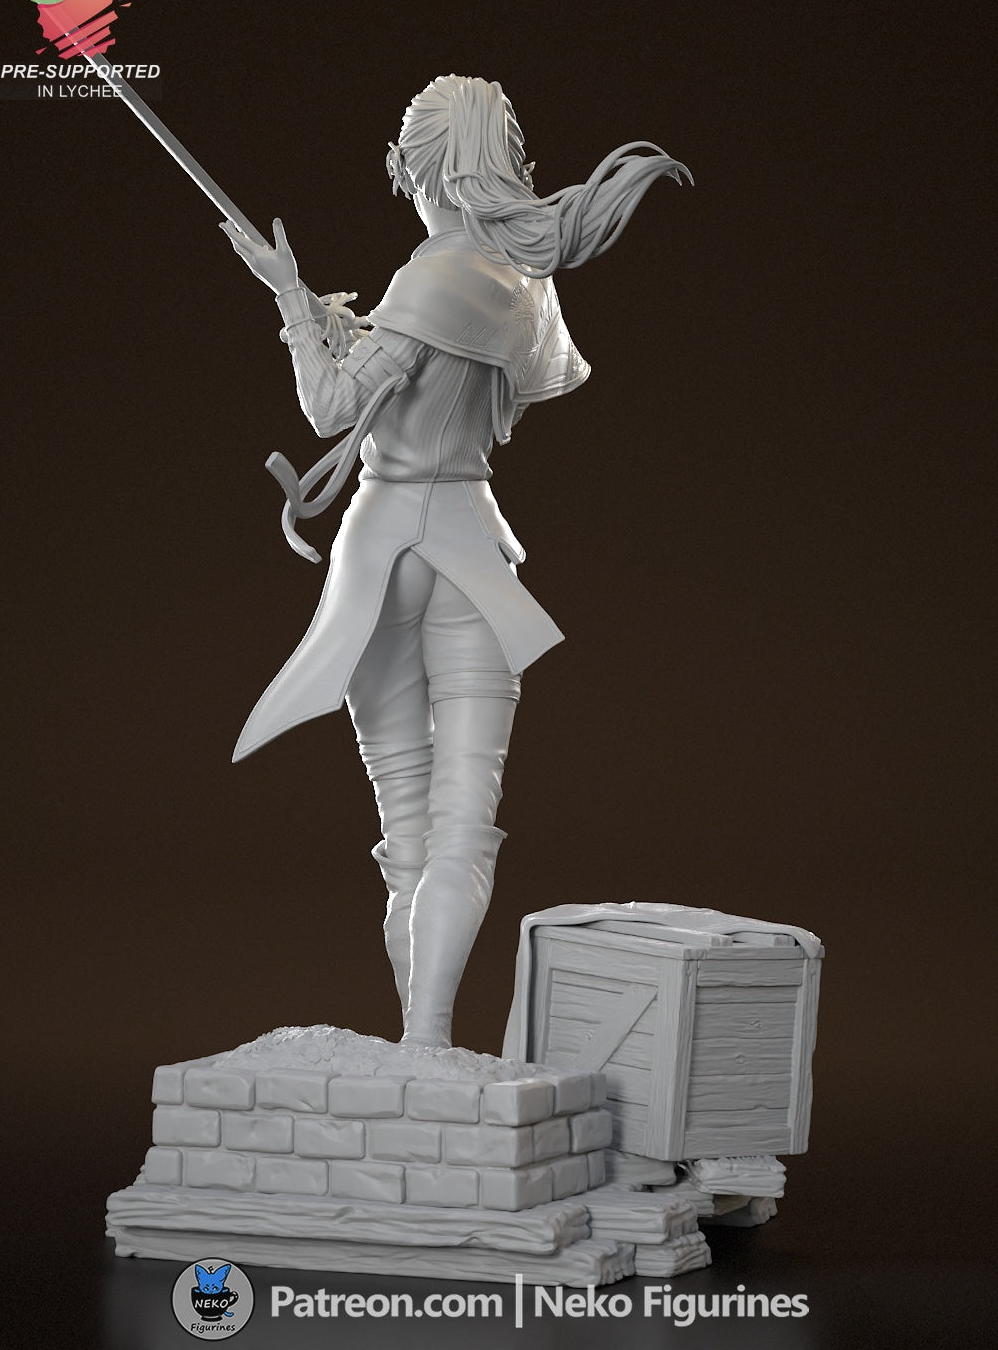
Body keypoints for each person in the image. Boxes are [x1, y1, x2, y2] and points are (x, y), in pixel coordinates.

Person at [222, 75, 691, 1048]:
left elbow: (331, 408)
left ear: (415, 166)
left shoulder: (430, 277)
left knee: (410, 824)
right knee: (464, 820)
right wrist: (347, 325)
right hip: (472, 545)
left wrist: (289, 300)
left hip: (387, 547)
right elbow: (417, 375)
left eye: (403, 160)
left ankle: (421, 1045)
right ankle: (426, 1042)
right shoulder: (520, 281)